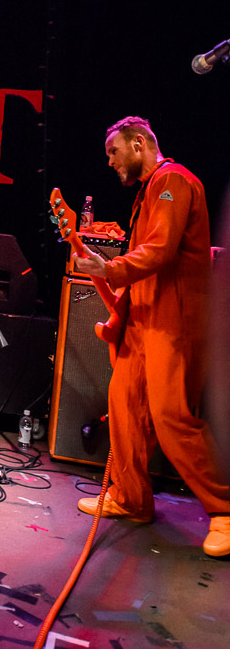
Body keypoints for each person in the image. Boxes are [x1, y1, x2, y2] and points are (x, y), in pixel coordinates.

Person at [74, 115, 230, 557]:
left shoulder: (173, 181)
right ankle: (131, 498)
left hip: (171, 320)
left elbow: (159, 251)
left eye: (114, 152)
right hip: (144, 318)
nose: (110, 161)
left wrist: (110, 267)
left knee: (171, 417)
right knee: (123, 405)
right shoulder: (150, 190)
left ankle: (225, 509)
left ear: (139, 143)